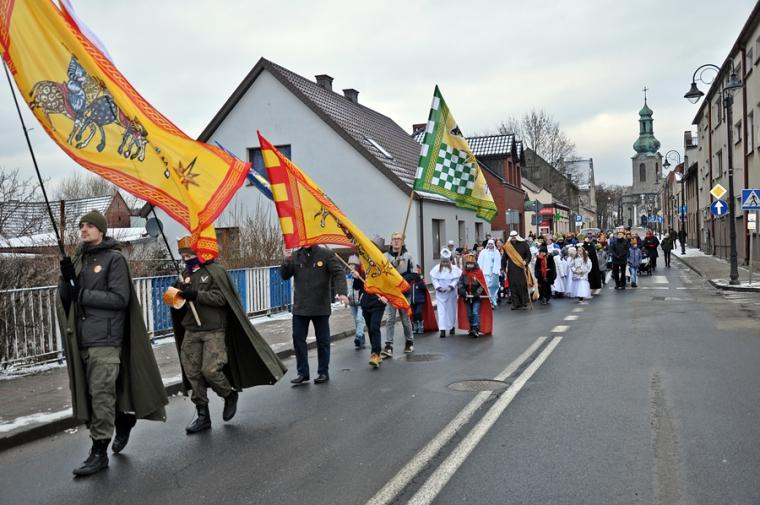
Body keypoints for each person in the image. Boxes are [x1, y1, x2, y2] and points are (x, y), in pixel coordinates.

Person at [57, 210, 168, 477]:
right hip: (82, 339)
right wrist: (66, 280)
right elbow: (68, 299)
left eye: (89, 225)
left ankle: (99, 452)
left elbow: (120, 299)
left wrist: (82, 293)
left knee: (101, 394)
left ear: (101, 230)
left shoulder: (114, 259)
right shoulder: (79, 258)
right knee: (94, 394)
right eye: (82, 225)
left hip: (106, 340)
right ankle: (122, 419)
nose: (84, 229)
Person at [171, 237, 287, 434]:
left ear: (198, 253)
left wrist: (196, 295)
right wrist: (176, 295)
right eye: (182, 255)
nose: (185, 259)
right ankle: (203, 415)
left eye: (188, 255)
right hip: (191, 329)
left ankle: (229, 394)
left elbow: (221, 298)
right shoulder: (185, 275)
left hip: (213, 329)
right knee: (192, 372)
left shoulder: (216, 271)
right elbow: (180, 301)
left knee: (210, 370)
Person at [281, 245, 348, 385]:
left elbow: (339, 273)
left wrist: (342, 292)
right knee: (298, 339)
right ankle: (302, 373)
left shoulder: (326, 254)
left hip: (320, 306)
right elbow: (285, 275)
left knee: (323, 341)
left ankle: (323, 372)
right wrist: (286, 259)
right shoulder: (295, 255)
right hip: (301, 307)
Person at [382, 232, 415, 357]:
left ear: (403, 242)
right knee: (390, 319)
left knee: (405, 319)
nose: (396, 241)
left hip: (404, 293)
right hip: (391, 292)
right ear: (391, 242)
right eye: (394, 239)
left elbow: (413, 274)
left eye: (399, 239)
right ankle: (388, 345)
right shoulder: (385, 256)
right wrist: (392, 266)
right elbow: (383, 272)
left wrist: (400, 280)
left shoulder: (408, 256)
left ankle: (409, 341)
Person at [353, 263, 387, 368]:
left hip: (378, 302)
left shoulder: (381, 263)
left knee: (374, 327)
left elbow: (389, 281)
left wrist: (386, 296)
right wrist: (356, 278)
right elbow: (356, 287)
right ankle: (377, 353)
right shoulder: (362, 266)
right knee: (370, 329)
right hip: (366, 303)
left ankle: (375, 354)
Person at [456, 254, 493, 337]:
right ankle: (471, 327)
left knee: (475, 312)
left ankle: (476, 328)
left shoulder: (479, 272)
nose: (469, 265)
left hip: (476, 297)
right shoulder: (464, 274)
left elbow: (482, 285)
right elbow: (460, 284)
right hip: (467, 297)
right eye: (468, 263)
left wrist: (477, 293)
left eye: (471, 263)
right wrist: (462, 291)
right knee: (469, 314)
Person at [430, 249, 461, 337]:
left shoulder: (454, 269)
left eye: (446, 262)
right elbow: (434, 279)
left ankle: (452, 327)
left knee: (451, 311)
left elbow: (456, 278)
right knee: (441, 311)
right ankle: (442, 329)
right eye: (443, 262)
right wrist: (438, 287)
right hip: (440, 294)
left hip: (451, 293)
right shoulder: (436, 269)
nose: (445, 263)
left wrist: (450, 287)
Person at [502, 231, 533, 310]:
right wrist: (503, 267)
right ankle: (515, 304)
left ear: (517, 236)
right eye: (511, 237)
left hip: (521, 268)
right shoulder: (507, 246)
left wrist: (526, 261)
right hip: (511, 269)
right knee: (513, 286)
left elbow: (529, 256)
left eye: (514, 237)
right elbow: (504, 258)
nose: (513, 238)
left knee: (522, 285)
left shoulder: (524, 244)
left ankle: (524, 303)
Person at [346, 255, 366, 349]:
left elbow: (363, 286)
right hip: (352, 301)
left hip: (361, 300)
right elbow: (347, 288)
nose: (351, 266)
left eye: (353, 264)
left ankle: (358, 336)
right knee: (356, 320)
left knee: (359, 319)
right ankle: (362, 337)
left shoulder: (361, 274)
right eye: (350, 264)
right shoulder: (347, 275)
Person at [477, 239, 501, 309]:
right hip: (486, 273)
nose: (490, 245)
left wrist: (498, 270)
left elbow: (498, 262)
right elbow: (480, 262)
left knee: (494, 287)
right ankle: (489, 302)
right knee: (487, 287)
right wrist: (480, 271)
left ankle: (493, 300)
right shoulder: (483, 252)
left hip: (494, 273)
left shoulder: (496, 252)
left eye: (491, 244)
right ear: (487, 244)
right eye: (489, 244)